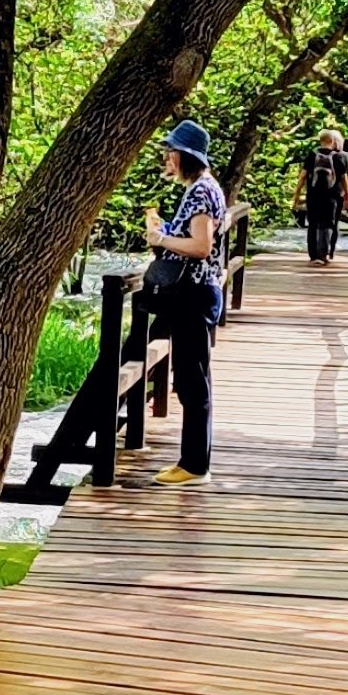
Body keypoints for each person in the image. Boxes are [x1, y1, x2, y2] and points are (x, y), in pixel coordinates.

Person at [142, 119, 226, 486]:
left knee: (192, 380)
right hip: (197, 293)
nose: (166, 158)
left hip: (192, 294)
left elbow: (201, 246)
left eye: (170, 152)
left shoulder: (199, 192)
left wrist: (160, 239)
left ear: (182, 156)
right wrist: (162, 233)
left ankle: (193, 466)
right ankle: (193, 462)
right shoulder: (206, 188)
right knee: (193, 377)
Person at [300, 129, 347, 263]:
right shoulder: (337, 157)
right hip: (332, 196)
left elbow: (303, 175)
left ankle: (313, 255)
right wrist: (347, 194)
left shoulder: (312, 155)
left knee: (313, 223)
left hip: (313, 195)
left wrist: (297, 193)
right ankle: (323, 254)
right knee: (327, 224)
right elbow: (344, 178)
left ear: (320, 141)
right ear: (332, 142)